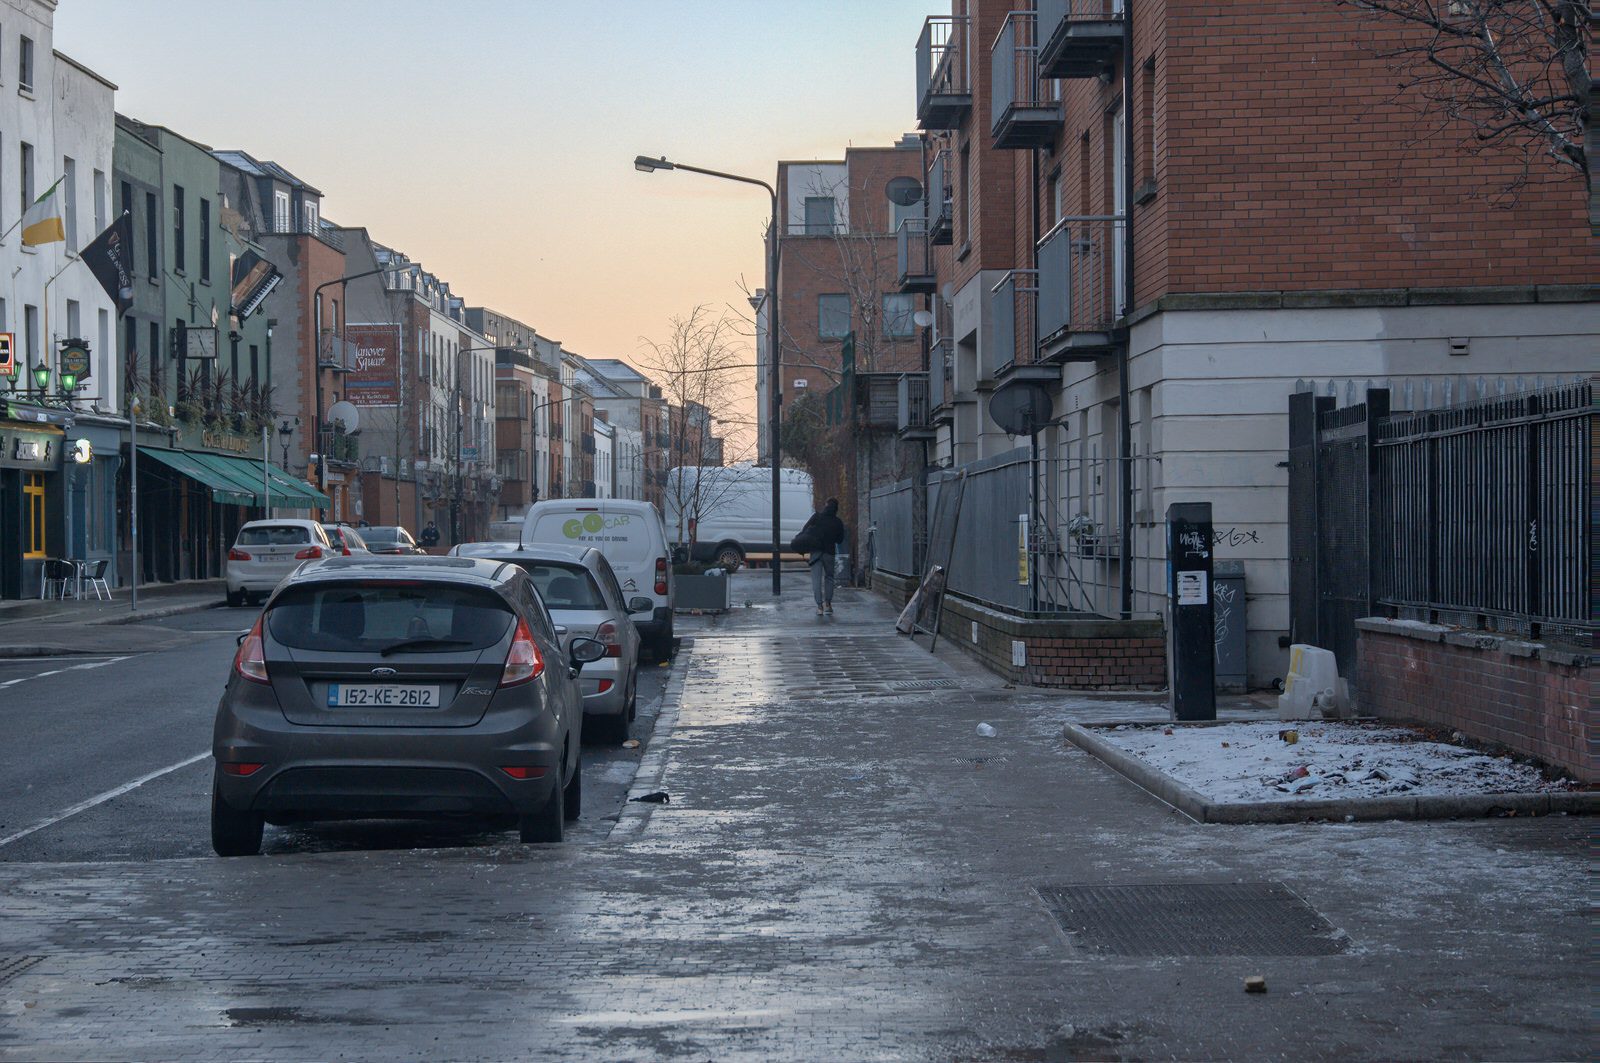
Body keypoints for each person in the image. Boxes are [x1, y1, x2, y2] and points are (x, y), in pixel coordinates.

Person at [798, 498, 846, 615]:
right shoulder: (838, 522)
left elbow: (804, 531)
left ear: (826, 505)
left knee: (816, 580)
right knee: (829, 578)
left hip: (815, 553)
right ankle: (828, 604)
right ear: (836, 508)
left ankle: (819, 607)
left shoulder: (816, 517)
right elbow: (840, 540)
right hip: (829, 553)